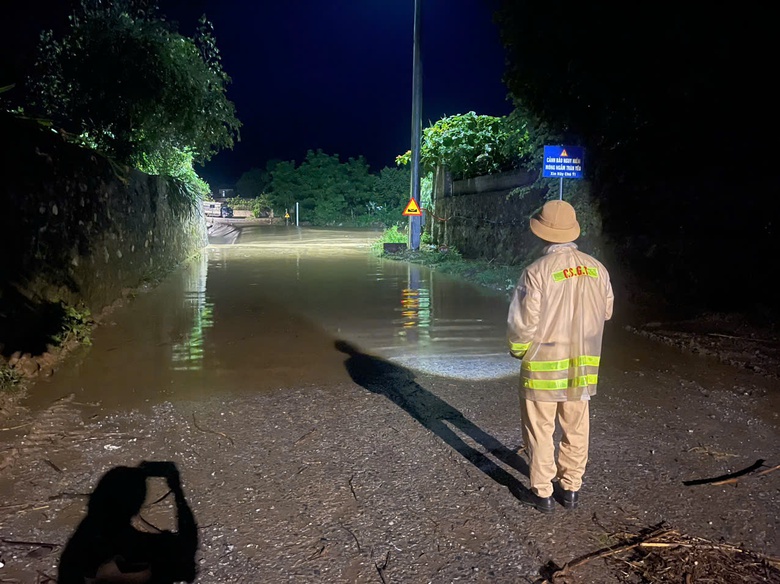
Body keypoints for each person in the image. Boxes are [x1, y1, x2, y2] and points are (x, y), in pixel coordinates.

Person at [507, 200, 614, 513]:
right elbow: (606, 312)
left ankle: (542, 493)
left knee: (540, 430)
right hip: (583, 366)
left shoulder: (536, 272)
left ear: (541, 233)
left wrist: (518, 350)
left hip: (542, 366)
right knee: (576, 428)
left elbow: (522, 324)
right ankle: (570, 490)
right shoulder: (598, 268)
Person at [58, 461, 198, 583]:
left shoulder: (79, 547)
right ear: (137, 505)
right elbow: (186, 554)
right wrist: (177, 491)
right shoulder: (146, 549)